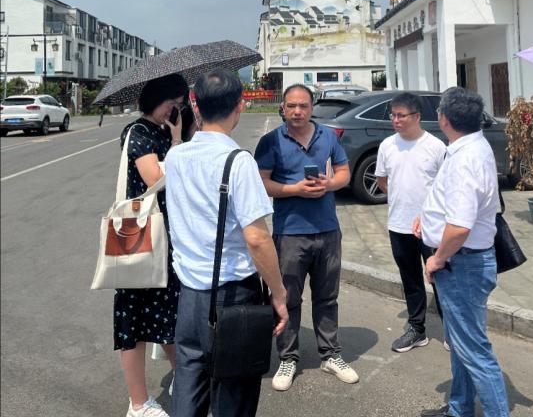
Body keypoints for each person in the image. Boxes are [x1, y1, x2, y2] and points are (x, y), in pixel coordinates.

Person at [165, 69, 288, 417]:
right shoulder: (238, 162)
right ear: (240, 105)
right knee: (234, 394)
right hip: (232, 294)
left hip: (190, 295)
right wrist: (279, 294)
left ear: (195, 106)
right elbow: (257, 238)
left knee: (189, 386)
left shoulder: (175, 157)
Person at [254, 84, 359, 392]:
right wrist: (294, 190)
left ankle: (331, 354)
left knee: (327, 296)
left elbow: (344, 172)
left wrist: (329, 184)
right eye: (291, 106)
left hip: (327, 229)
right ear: (283, 108)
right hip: (290, 232)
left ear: (312, 107)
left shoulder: (328, 136)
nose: (297, 111)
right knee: (288, 297)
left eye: (303, 106)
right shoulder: (271, 141)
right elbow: (261, 183)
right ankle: (288, 357)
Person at [414, 87, 510, 417]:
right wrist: (428, 218)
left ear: (444, 119)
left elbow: (459, 227)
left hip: (462, 263)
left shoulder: (465, 159)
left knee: (475, 350)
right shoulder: (470, 147)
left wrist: (437, 258)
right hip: (465, 261)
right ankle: (459, 408)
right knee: (461, 343)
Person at [115, 73, 194, 417]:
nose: (173, 111)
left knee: (167, 311)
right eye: (170, 104)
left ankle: (184, 376)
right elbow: (155, 179)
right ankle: (138, 403)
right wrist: (177, 141)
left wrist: (181, 134)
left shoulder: (163, 131)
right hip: (138, 234)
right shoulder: (139, 133)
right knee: (133, 318)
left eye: (179, 105)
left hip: (164, 235)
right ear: (154, 99)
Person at [375, 92, 446, 353]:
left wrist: (429, 213)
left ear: (416, 117)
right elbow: (382, 180)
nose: (396, 120)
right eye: (393, 115)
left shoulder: (436, 147)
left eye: (401, 115)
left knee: (440, 279)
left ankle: (452, 330)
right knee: (410, 279)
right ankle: (417, 329)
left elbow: (446, 186)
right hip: (398, 224)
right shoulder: (387, 146)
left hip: (432, 227)